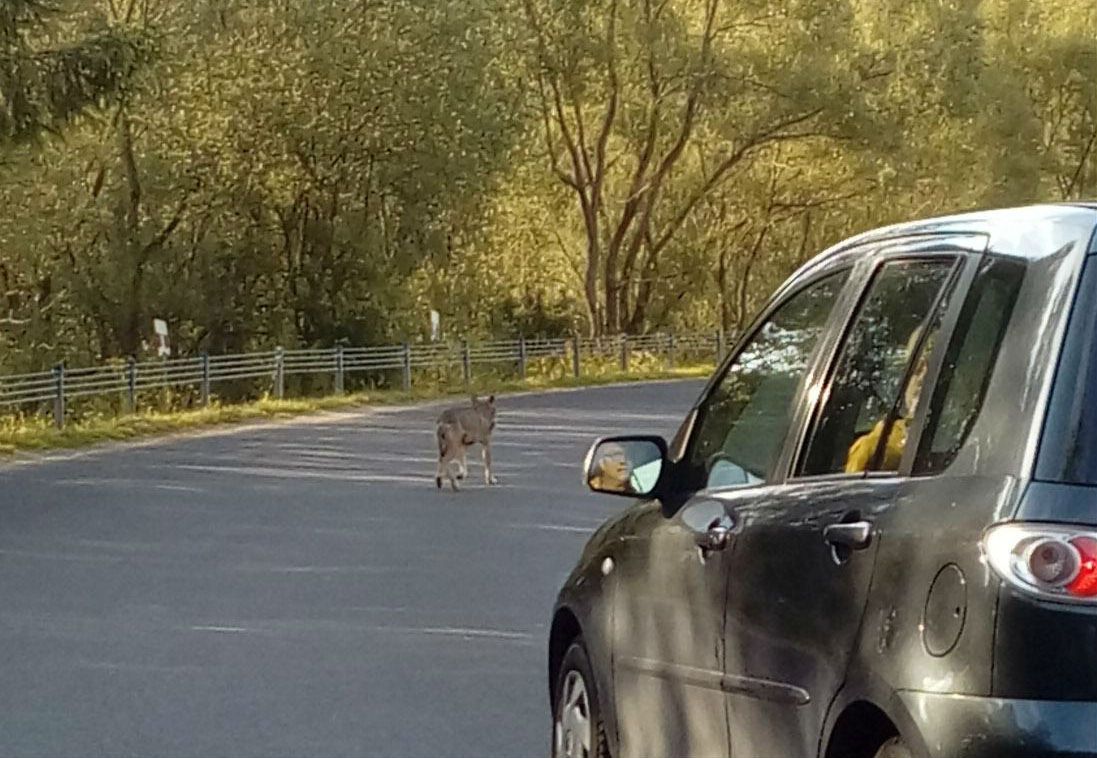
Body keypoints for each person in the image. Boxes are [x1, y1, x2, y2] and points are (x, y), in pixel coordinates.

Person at [845, 327, 932, 473]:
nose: (923, 375)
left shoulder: (875, 450)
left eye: (936, 366)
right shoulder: (874, 448)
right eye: (917, 366)